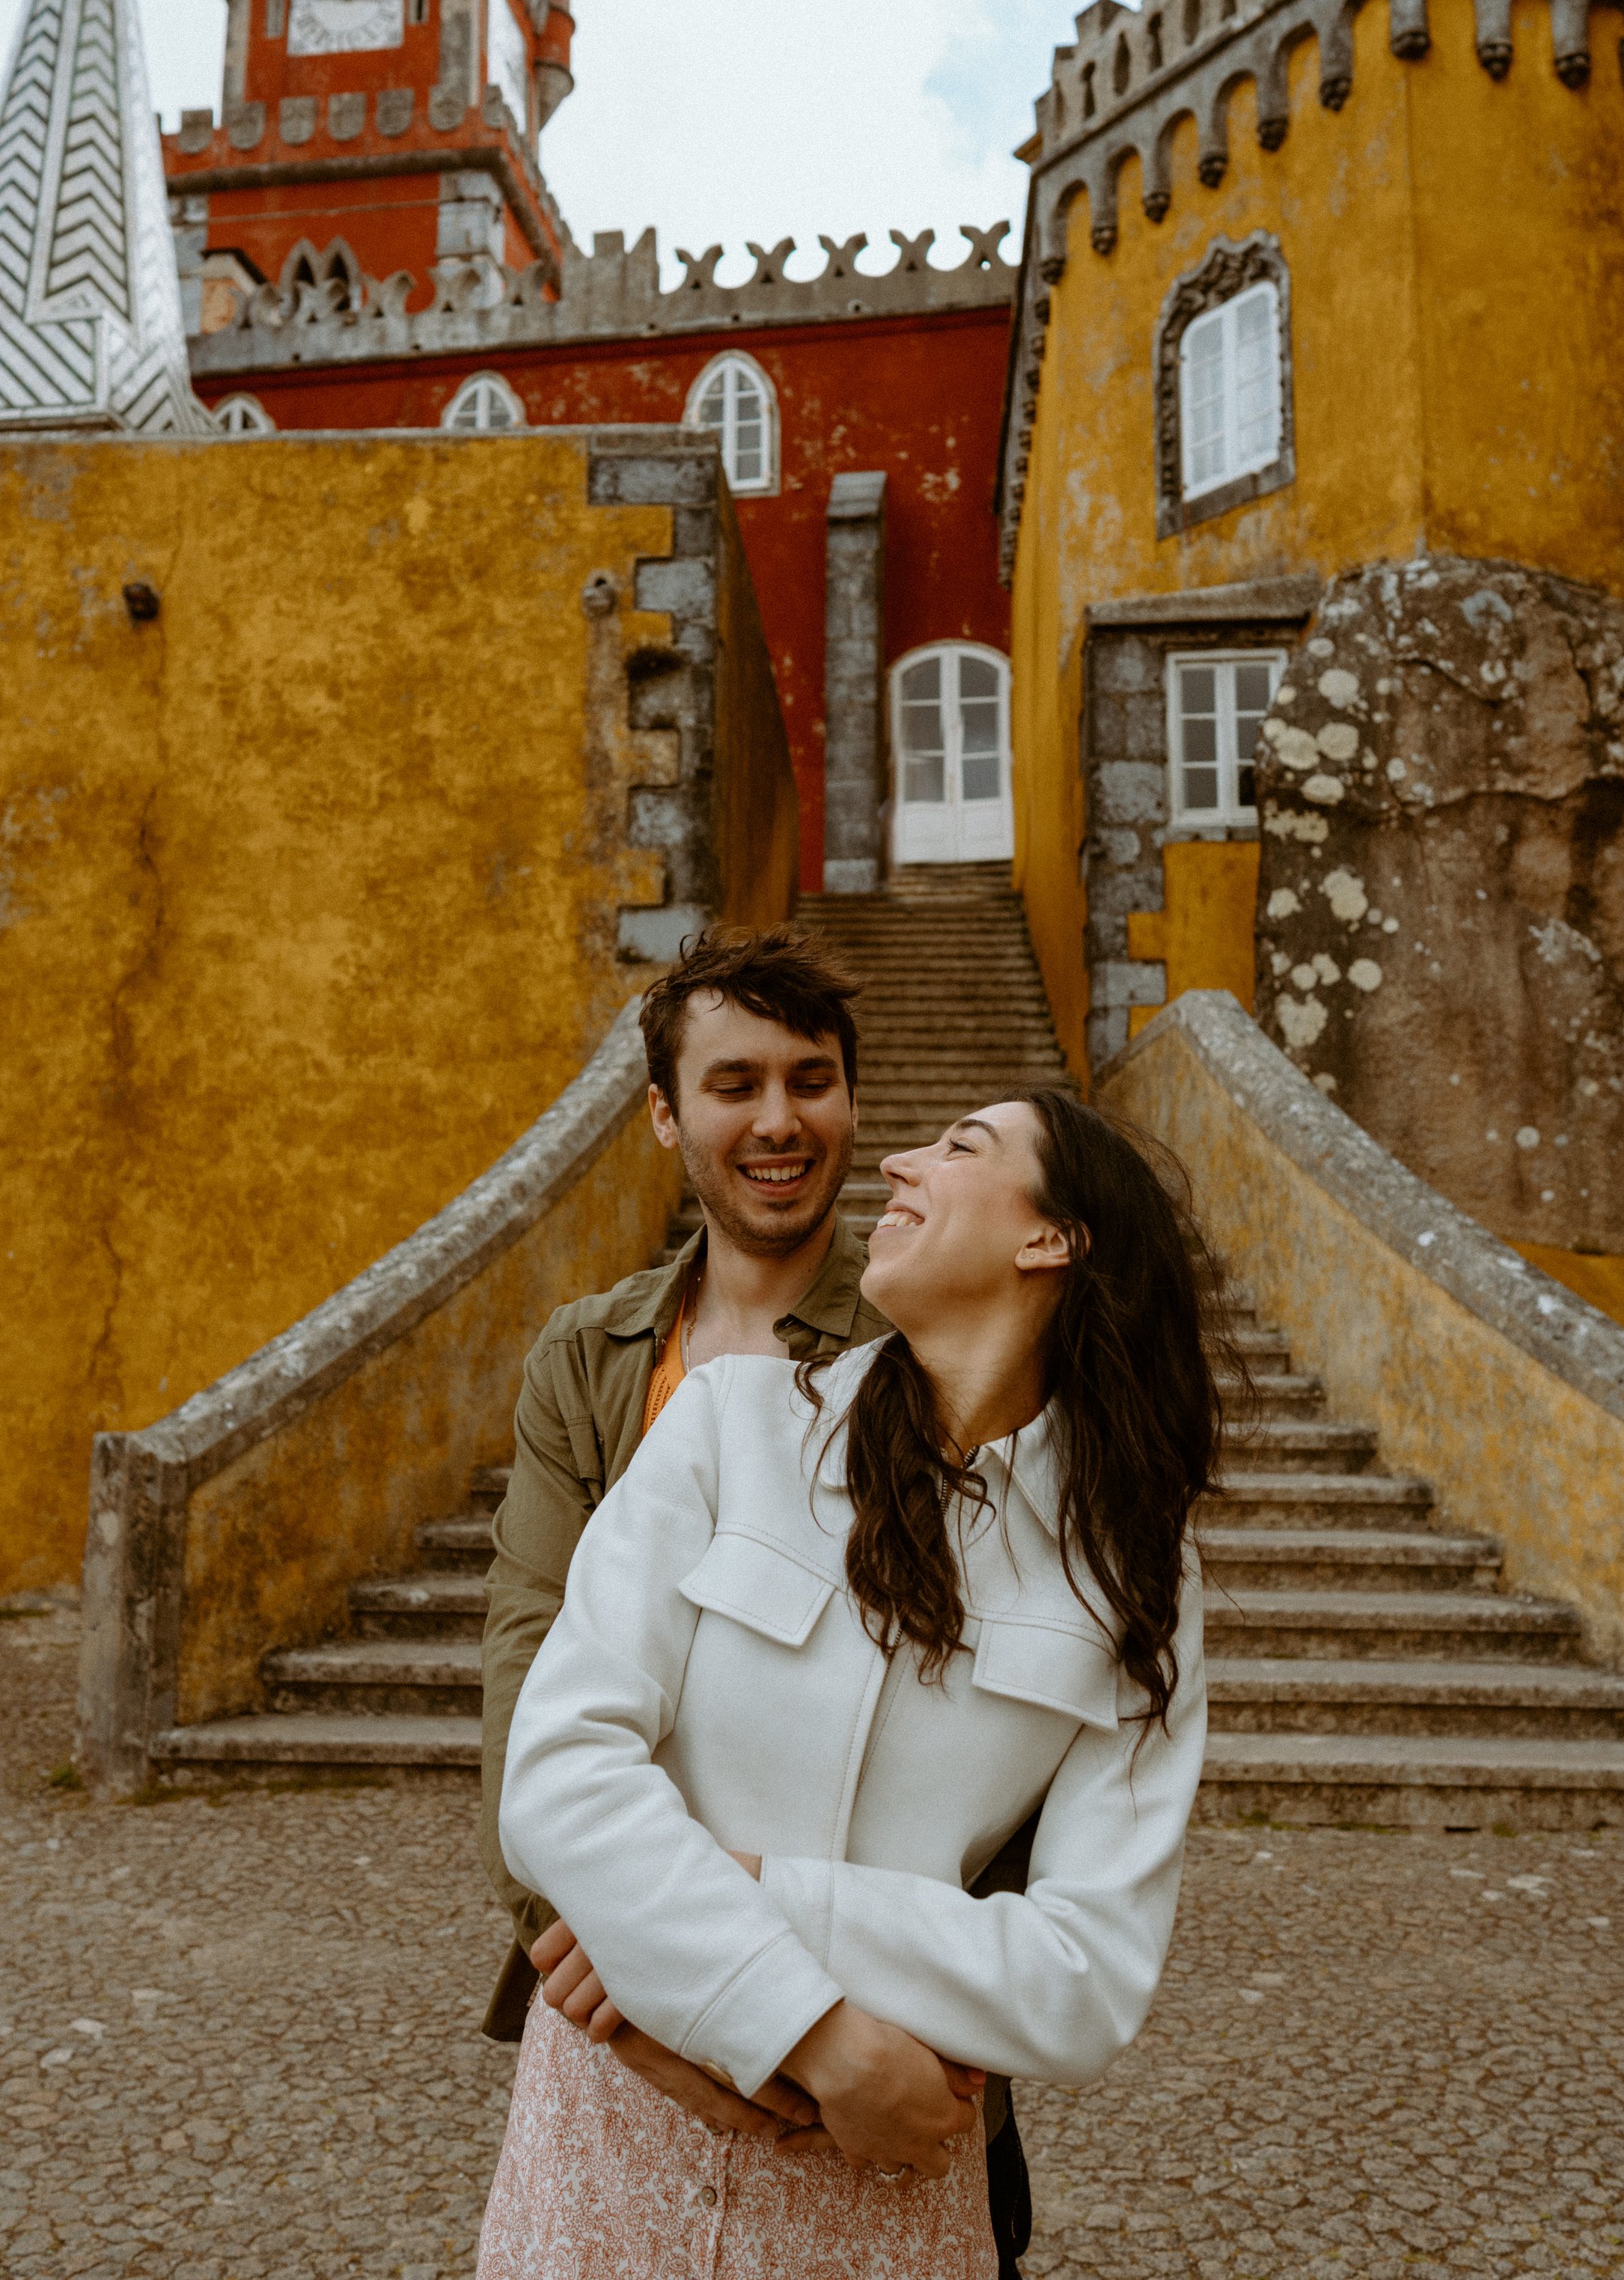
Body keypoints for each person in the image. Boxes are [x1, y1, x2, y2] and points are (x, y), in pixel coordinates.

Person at [475, 1085, 1226, 2279]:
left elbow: (1091, 1977)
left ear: (1052, 1237)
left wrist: (750, 1895)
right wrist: (824, 2037)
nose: (898, 1166)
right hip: (625, 2128)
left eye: (961, 1146)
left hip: (889, 2169)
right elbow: (561, 1775)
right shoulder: (731, 1425)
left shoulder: (1138, 1571)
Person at [478, 925, 1040, 2273]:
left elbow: (1010, 1722)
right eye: (736, 1086)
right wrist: (612, 1974)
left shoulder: (933, 1345)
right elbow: (530, 1666)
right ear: (667, 1115)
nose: (781, 1120)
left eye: (814, 1079)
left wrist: (907, 2022)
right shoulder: (589, 1357)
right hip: (611, 1989)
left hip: (881, 2019)